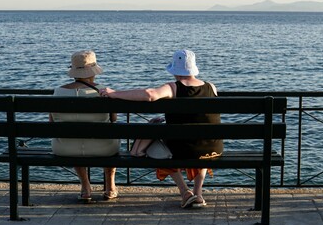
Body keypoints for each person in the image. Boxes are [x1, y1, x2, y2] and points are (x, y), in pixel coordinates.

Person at [99, 49, 223, 209]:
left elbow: (150, 95)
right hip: (214, 149)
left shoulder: (173, 88)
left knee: (159, 149)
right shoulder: (211, 87)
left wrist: (114, 93)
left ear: (175, 71)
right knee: (199, 141)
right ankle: (198, 194)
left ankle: (185, 192)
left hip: (183, 150)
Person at [49, 50, 120, 203]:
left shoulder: (58, 92)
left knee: (73, 134)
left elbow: (52, 122)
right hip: (104, 149)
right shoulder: (104, 92)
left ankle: (86, 188)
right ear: (93, 71)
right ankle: (110, 186)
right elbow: (114, 119)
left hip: (65, 148)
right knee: (111, 134)